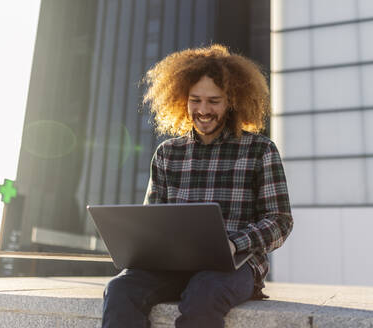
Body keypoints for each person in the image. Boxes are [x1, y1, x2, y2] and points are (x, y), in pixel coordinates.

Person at [102, 44, 293, 328]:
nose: (203, 110)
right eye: (196, 100)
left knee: (204, 294)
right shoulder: (168, 153)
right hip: (171, 266)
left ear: (232, 101)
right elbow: (151, 220)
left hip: (234, 266)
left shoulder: (260, 149)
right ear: (183, 100)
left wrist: (233, 244)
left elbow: (280, 221)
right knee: (120, 289)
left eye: (214, 101)